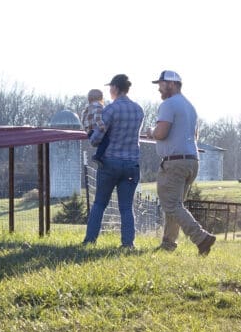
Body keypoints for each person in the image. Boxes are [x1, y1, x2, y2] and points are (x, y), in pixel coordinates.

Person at [147, 70, 216, 255]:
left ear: (172, 84)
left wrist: (151, 131)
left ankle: (201, 238)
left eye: (161, 84)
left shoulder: (168, 104)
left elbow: (161, 133)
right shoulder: (190, 107)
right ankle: (168, 243)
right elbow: (195, 136)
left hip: (174, 162)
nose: (159, 88)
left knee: (171, 204)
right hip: (192, 161)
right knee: (176, 204)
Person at [83, 74, 144, 248]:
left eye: (110, 88)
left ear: (115, 88)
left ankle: (90, 240)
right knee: (126, 207)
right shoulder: (139, 110)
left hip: (110, 162)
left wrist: (91, 135)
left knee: (100, 203)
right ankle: (128, 243)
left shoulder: (110, 110)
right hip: (132, 163)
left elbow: (97, 139)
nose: (109, 91)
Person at [80, 88, 109, 164]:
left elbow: (83, 120)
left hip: (90, 132)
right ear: (101, 98)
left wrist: (87, 130)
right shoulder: (98, 106)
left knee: (100, 143)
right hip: (96, 130)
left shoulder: (87, 108)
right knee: (106, 141)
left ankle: (99, 155)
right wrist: (102, 126)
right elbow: (97, 118)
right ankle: (97, 156)